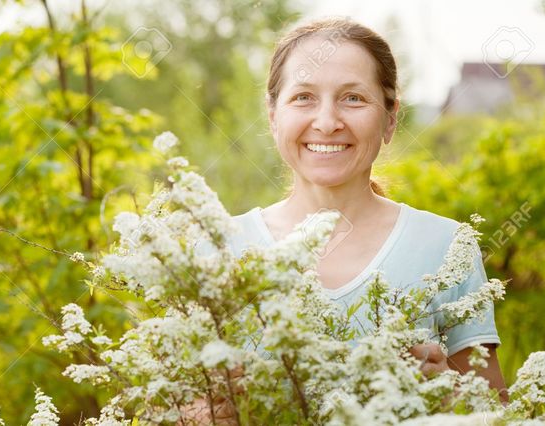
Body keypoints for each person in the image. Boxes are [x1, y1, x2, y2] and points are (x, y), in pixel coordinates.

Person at [182, 17, 506, 424]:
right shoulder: (215, 249)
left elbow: (498, 412)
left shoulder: (447, 246)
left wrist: (448, 397)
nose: (327, 121)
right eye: (303, 97)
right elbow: (172, 402)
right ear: (272, 115)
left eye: (353, 98)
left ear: (390, 118)